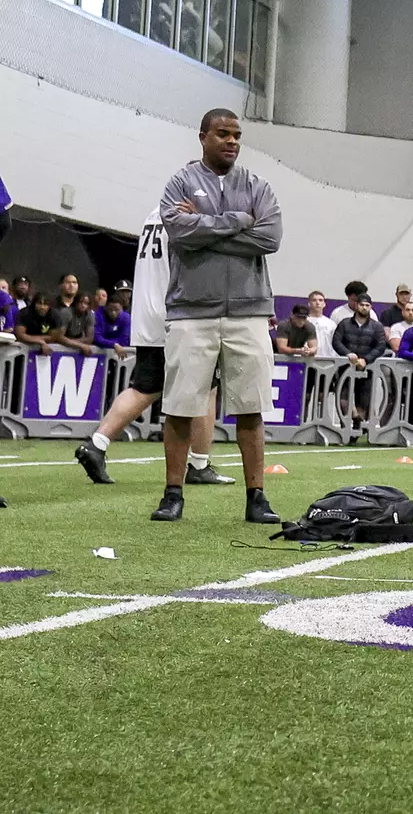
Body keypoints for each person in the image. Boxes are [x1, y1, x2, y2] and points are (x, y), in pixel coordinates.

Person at [151, 108, 283, 524]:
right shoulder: (180, 182)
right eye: (223, 134)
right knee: (180, 406)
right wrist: (237, 223)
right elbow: (179, 233)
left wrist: (205, 228)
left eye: (237, 135)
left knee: (251, 406)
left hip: (249, 311)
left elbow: (270, 237)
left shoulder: (257, 186)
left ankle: (256, 496)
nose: (231, 141)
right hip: (192, 312)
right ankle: (173, 493)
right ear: (203, 136)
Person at [76, 205, 231, 488]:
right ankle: (199, 463)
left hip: (148, 314)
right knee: (207, 387)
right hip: (177, 313)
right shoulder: (187, 216)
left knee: (145, 387)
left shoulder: (152, 214)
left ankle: (96, 444)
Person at [334, 291, 389, 430]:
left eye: (367, 305)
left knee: (363, 402)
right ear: (356, 306)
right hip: (345, 368)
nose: (364, 307)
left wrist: (366, 359)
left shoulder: (377, 326)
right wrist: (347, 354)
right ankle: (345, 428)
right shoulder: (344, 324)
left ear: (370, 307)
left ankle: (357, 428)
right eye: (362, 305)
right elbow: (336, 341)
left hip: (367, 370)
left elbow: (381, 346)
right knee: (342, 400)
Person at [14, 290, 65, 354]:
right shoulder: (25, 313)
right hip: (22, 349)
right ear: (34, 303)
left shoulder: (54, 315)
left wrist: (30, 338)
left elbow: (54, 337)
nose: (42, 307)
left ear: (50, 306)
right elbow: (20, 335)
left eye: (45, 304)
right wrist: (41, 341)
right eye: (39, 303)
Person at [307, 291, 336, 357]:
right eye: (314, 300)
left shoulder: (331, 323)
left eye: (320, 300)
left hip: (328, 358)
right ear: (309, 303)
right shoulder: (304, 322)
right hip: (308, 359)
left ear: (324, 304)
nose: (317, 303)